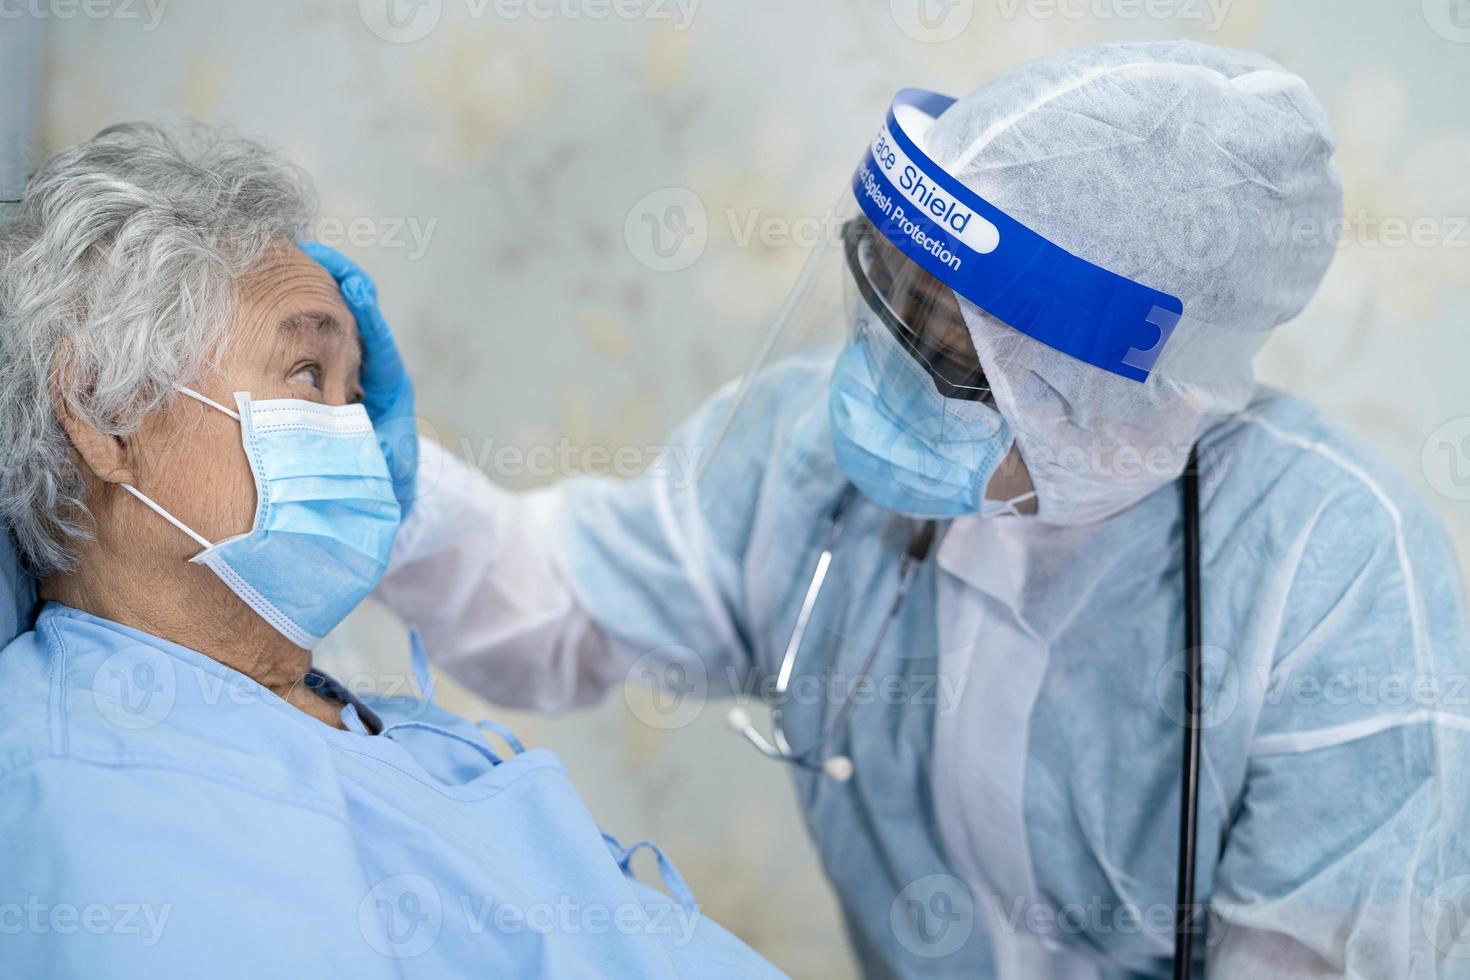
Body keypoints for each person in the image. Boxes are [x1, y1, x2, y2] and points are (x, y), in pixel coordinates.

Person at [363, 41, 1470, 978]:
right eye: (887, 290)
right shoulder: (805, 451)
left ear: (1139, 397)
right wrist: (386, 486)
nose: (884, 371)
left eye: (950, 348)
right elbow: (566, 607)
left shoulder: (1331, 570)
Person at [0, 122, 780, 978]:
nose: (360, 439)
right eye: (308, 375)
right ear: (104, 412)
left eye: (356, 394)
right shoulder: (122, 794)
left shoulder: (306, 714)